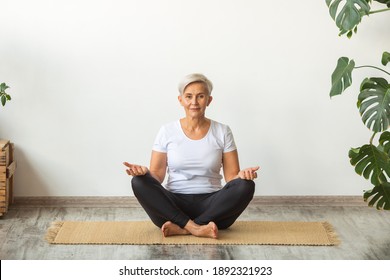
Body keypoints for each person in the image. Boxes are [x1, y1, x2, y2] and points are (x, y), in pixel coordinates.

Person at [123, 73, 259, 239]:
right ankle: (198, 228)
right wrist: (143, 173)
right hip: (173, 205)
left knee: (246, 186)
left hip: (213, 206)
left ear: (209, 100)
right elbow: (157, 175)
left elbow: (231, 177)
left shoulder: (223, 131)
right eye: (189, 97)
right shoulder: (167, 131)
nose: (194, 102)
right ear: (181, 100)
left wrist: (243, 176)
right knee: (138, 182)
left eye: (200, 96)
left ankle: (184, 228)